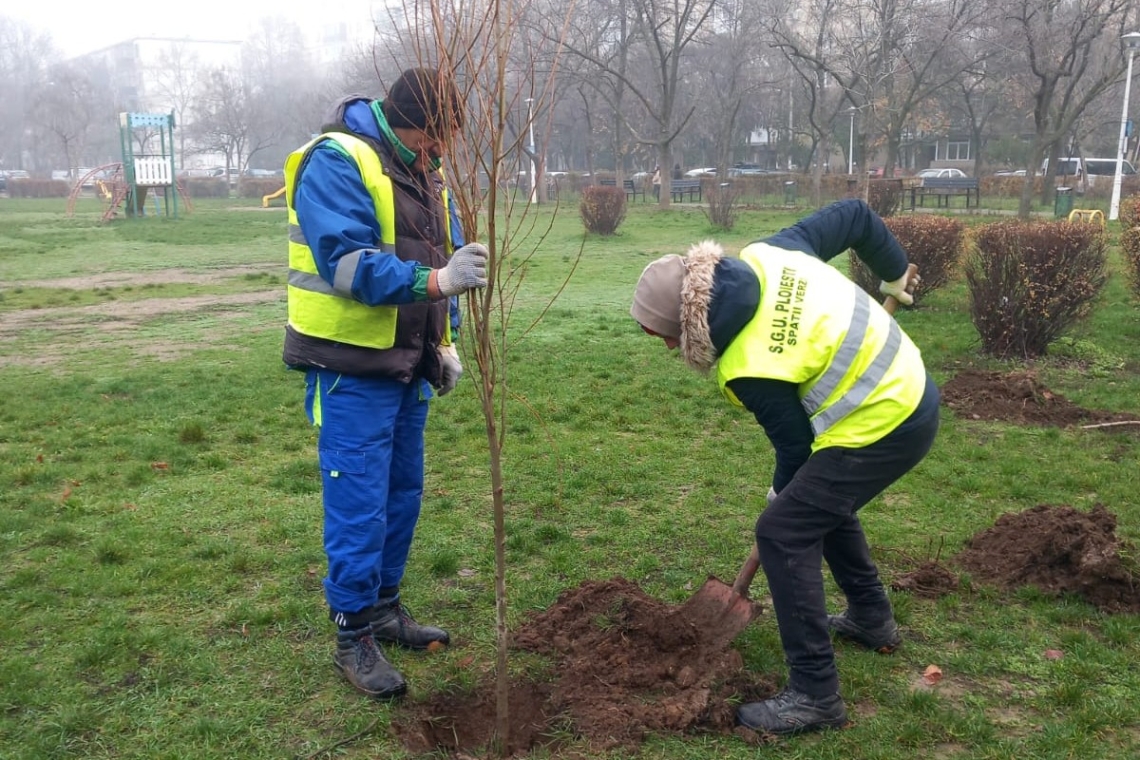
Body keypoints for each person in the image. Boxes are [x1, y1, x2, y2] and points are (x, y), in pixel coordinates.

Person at [629, 199, 939, 735]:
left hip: (886, 420)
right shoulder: (772, 253)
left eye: (662, 338)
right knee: (818, 502)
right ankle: (871, 619)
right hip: (911, 386)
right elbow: (857, 217)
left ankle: (814, 693)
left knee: (784, 530)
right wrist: (894, 271)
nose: (664, 348)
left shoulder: (748, 366)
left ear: (682, 329)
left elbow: (795, 452)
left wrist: (780, 498)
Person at [282, 67, 488, 700]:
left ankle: (385, 609)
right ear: (407, 125)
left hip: (409, 361)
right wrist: (437, 285)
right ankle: (353, 637)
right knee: (358, 503)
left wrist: (446, 338)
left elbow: (443, 255)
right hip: (351, 368)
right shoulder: (336, 162)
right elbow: (346, 263)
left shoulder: (424, 170)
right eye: (433, 141)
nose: (440, 154)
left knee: (402, 493)